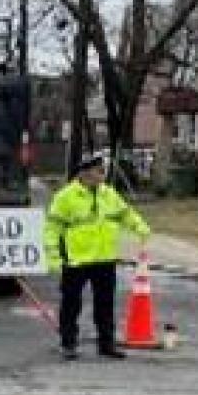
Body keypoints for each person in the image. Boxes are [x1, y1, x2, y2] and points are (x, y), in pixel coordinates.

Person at [45, 152, 151, 361]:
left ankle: (106, 344)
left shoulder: (108, 194)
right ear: (84, 174)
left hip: (104, 258)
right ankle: (68, 343)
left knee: (105, 304)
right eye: (98, 171)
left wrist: (139, 227)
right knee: (71, 303)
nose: (102, 175)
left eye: (102, 171)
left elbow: (124, 213)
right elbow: (53, 227)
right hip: (76, 258)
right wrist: (53, 256)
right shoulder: (66, 197)